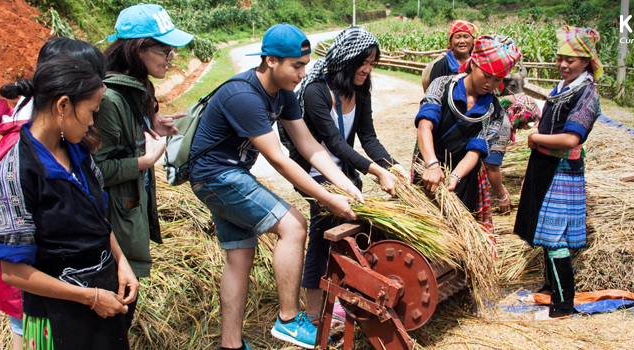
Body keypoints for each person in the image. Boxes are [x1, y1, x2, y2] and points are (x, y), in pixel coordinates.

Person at [188, 23, 363, 350]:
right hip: (216, 175)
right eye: (296, 66)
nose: (302, 73)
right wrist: (327, 198)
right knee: (294, 225)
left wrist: (345, 185)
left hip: (226, 175)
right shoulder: (243, 95)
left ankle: (231, 345)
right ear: (270, 60)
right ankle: (288, 320)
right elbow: (280, 160)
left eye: (305, 65)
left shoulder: (284, 96)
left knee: (239, 257)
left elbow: (309, 145)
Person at [0, 55, 138, 349]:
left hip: (101, 303)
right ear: (63, 106)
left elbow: (97, 217)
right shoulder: (14, 174)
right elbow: (14, 273)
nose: (92, 122)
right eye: (91, 111)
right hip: (56, 319)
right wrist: (89, 297)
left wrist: (122, 262)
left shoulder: (79, 153)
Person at [289, 26, 407, 326]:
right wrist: (375, 170)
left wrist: (391, 165)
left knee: (350, 233)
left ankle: (340, 299)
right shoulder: (318, 91)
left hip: (343, 175)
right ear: (346, 59)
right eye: (363, 61)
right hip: (315, 175)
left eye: (372, 62)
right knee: (323, 235)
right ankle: (314, 313)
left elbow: (368, 138)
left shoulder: (361, 91)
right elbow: (334, 143)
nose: (368, 68)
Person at [93, 4, 193, 328]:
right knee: (115, 317)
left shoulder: (139, 88)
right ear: (137, 49)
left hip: (130, 219)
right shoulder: (109, 99)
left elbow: (127, 135)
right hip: (113, 231)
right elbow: (93, 172)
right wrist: (144, 160)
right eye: (165, 51)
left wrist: (151, 125)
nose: (170, 59)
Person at [513, 25, 603, 320]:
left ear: (587, 61)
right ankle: (550, 291)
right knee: (544, 233)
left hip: (562, 169)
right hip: (546, 166)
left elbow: (571, 138)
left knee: (555, 238)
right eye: (560, 58)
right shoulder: (565, 88)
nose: (563, 64)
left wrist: (535, 138)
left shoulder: (587, 94)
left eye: (572, 60)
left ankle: (563, 308)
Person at [412, 35, 521, 231]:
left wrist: (454, 177)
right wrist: (431, 164)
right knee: (425, 224)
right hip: (427, 165)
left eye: (497, 80)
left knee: (456, 230)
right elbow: (424, 125)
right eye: (486, 75)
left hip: (463, 176)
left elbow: (475, 151)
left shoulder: (494, 112)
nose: (490, 84)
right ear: (473, 64)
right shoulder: (442, 85)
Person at [424, 20, 478, 91]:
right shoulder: (441, 66)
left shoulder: (477, 63)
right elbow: (432, 95)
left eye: (466, 36)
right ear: (451, 41)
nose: (462, 41)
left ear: (472, 40)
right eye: (457, 37)